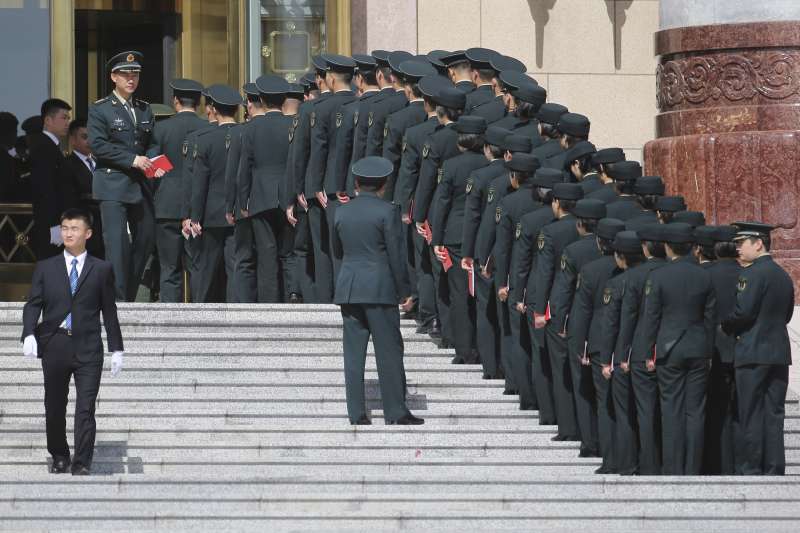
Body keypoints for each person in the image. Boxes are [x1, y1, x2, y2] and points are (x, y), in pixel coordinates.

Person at [21, 208, 123, 475]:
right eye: (64, 228)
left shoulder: (101, 269)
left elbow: (109, 311)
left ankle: (82, 462)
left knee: (86, 408)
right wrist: (29, 332)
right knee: (54, 405)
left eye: (74, 228)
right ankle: (60, 455)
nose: (68, 233)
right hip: (55, 344)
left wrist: (116, 348)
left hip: (88, 347)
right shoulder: (46, 267)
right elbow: (34, 304)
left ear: (87, 233)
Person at [333, 156, 422, 425]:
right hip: (380, 288)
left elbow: (337, 251)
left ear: (357, 183)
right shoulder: (388, 211)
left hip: (350, 287)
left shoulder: (340, 211)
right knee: (389, 350)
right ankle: (395, 411)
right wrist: (405, 290)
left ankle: (357, 413)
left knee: (353, 353)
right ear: (384, 185)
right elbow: (397, 254)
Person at [641, 222, 715, 475]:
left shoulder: (658, 276)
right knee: (695, 411)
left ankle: (673, 468)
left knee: (671, 409)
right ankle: (692, 468)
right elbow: (710, 318)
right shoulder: (705, 275)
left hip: (669, 349)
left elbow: (650, 319)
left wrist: (646, 352)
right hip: (698, 348)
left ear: (667, 247)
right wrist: (708, 351)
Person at [722, 221, 794, 475]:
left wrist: (725, 324)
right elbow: (785, 315)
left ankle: (751, 467)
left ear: (759, 243)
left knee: (750, 412)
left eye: (742, 243)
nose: (738, 249)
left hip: (752, 352)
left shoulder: (751, 275)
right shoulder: (783, 275)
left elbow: (743, 313)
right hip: (777, 353)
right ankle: (774, 467)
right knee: (774, 413)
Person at [88, 51, 160, 301]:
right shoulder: (101, 109)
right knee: (117, 245)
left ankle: (127, 295)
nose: (131, 79)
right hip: (112, 184)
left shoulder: (144, 109)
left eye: (135, 74)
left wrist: (152, 159)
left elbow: (152, 141)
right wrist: (132, 160)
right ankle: (117, 300)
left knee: (146, 238)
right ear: (113, 77)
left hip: (140, 185)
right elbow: (98, 145)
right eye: (126, 74)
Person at [149, 78, 207, 302]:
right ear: (199, 102)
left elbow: (153, 167)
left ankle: (169, 317)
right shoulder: (206, 128)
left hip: (167, 203)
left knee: (169, 267)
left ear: (175, 101)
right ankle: (200, 318)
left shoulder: (161, 128)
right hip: (198, 205)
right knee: (196, 266)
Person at [238, 76, 293, 302]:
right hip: (287, 194)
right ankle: (292, 296)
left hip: (260, 196)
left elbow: (244, 168)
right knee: (289, 253)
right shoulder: (294, 124)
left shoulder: (251, 128)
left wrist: (243, 202)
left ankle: (270, 303)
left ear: (260, 99)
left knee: (267, 253)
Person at [189, 84, 242, 302]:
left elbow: (199, 183)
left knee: (205, 268)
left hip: (210, 212)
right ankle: (236, 310)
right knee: (236, 266)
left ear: (214, 109)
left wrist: (195, 216)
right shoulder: (244, 133)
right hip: (239, 209)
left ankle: (199, 309)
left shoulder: (205, 139)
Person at [29, 98, 78, 259]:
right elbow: (44, 189)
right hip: (51, 225)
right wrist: (54, 226)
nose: (67, 122)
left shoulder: (53, 147)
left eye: (68, 118)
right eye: (63, 117)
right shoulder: (44, 147)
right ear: (48, 120)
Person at [65, 118, 104, 259]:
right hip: (84, 224)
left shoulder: (100, 162)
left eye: (92, 137)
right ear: (73, 140)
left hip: (104, 226)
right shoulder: (67, 165)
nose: (90, 141)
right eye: (84, 137)